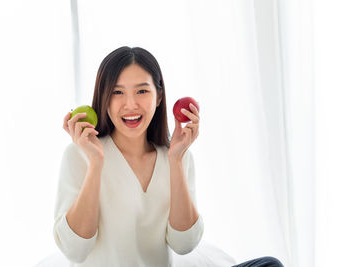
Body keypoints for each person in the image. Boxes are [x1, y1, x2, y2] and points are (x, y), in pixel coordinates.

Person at [53, 46, 284, 267]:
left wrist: (175, 160)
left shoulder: (178, 157)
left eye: (142, 91)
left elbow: (184, 244)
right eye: (117, 92)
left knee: (269, 265)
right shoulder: (80, 156)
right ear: (104, 98)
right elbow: (75, 250)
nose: (130, 104)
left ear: (159, 96)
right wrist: (96, 163)